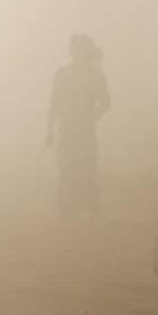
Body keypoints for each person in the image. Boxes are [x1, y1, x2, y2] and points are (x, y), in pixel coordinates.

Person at [46, 33, 110, 217]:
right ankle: (67, 206)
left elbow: (106, 102)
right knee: (67, 165)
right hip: (67, 128)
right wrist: (49, 129)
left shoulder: (95, 74)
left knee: (86, 164)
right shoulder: (62, 74)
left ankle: (86, 206)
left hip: (85, 129)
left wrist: (91, 117)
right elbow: (54, 103)